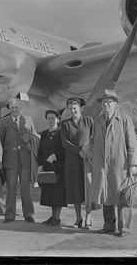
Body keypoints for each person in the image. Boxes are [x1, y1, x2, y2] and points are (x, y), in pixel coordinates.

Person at [84, 89, 137, 237]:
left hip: (120, 165)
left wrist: (133, 165)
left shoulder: (125, 119)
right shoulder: (98, 120)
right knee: (105, 194)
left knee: (123, 197)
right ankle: (108, 226)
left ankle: (124, 228)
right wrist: (88, 150)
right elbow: (93, 140)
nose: (105, 106)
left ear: (115, 105)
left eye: (109, 103)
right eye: (103, 103)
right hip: (101, 165)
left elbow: (131, 144)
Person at [0, 98, 38, 223]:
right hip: (10, 159)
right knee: (11, 188)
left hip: (25, 159)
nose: (14, 110)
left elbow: (36, 136)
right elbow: (0, 142)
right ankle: (9, 215)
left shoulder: (29, 120)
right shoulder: (3, 122)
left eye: (16, 108)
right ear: (9, 109)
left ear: (21, 108)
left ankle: (29, 214)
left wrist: (30, 138)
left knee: (26, 188)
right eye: (12, 108)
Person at [60, 97, 95, 228]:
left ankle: (89, 217)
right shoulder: (65, 124)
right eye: (70, 108)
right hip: (72, 161)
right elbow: (64, 142)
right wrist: (78, 151)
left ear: (80, 108)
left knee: (88, 188)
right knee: (75, 190)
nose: (72, 110)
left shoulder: (89, 120)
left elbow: (93, 138)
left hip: (87, 160)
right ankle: (78, 218)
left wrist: (86, 151)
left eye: (75, 107)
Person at [37, 110, 67, 226]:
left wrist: (56, 156)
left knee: (58, 194)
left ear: (57, 119)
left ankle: (57, 217)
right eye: (48, 118)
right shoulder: (44, 133)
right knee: (49, 194)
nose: (50, 120)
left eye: (53, 118)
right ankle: (53, 217)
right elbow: (40, 151)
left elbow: (65, 150)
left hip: (58, 167)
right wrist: (40, 164)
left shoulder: (61, 132)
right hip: (47, 167)